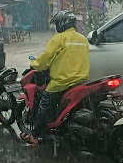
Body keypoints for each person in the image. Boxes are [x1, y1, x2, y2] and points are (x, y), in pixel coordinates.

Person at [20, 11, 89, 146]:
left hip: (61, 82)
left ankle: (35, 136)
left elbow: (45, 60)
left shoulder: (58, 39)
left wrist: (34, 64)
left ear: (61, 24)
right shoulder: (83, 39)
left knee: (43, 106)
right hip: (80, 81)